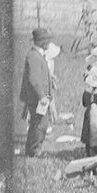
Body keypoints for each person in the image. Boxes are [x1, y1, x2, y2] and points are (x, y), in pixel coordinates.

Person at [20, 28, 58, 156]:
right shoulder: (34, 56)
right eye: (47, 40)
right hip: (36, 98)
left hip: (39, 96)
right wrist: (42, 96)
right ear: (41, 41)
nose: (49, 43)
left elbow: (39, 75)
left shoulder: (37, 55)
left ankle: (33, 149)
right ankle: (35, 150)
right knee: (39, 124)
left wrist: (50, 78)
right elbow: (34, 79)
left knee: (39, 123)